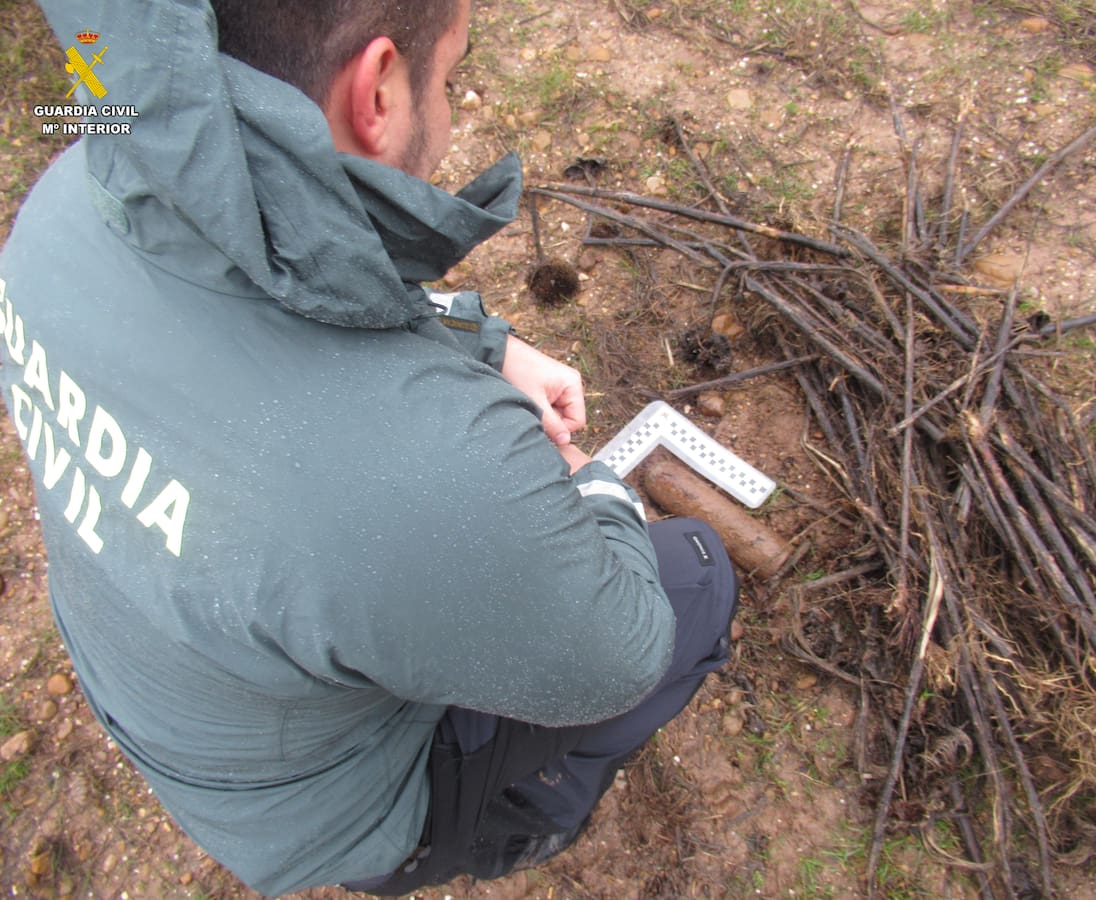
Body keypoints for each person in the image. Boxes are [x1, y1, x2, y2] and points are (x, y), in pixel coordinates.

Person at [0, 0, 738, 895]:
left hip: (169, 686)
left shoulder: (68, 199)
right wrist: (590, 487)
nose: (455, 102)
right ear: (378, 88)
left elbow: (269, 254)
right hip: (328, 819)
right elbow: (615, 654)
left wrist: (482, 339)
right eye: (453, 77)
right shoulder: (435, 472)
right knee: (693, 577)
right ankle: (525, 816)